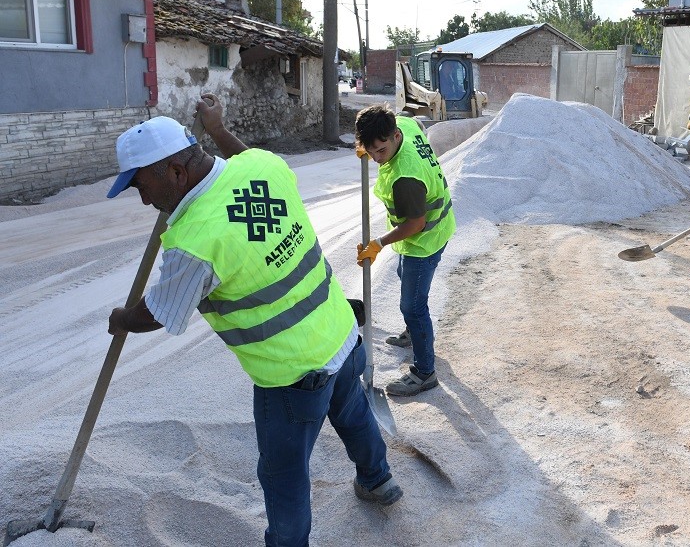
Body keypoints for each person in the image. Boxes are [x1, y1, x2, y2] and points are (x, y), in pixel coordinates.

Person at [106, 95, 401, 547]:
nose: (142, 198)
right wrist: (219, 130)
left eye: (140, 185)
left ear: (177, 173)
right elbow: (240, 158)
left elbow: (160, 312)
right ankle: (378, 481)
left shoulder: (194, 241)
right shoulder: (261, 165)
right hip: (340, 330)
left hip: (290, 375)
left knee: (283, 476)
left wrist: (124, 317)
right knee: (354, 415)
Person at [355, 104, 455, 397]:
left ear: (395, 136)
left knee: (412, 306)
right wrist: (366, 144)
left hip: (425, 240)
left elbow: (415, 224)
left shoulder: (406, 177)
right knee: (404, 277)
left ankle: (425, 372)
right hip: (430, 229)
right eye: (370, 151)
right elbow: (411, 123)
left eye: (381, 151)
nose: (376, 158)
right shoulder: (403, 125)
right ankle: (415, 333)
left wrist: (378, 244)